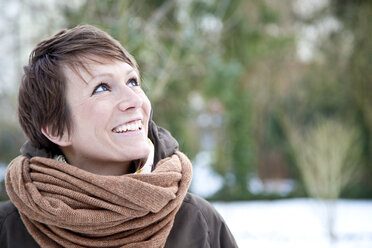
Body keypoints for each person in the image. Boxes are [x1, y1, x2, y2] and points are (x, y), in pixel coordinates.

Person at [0, 25, 237, 248]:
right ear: (56, 129)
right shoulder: (7, 231)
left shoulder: (199, 223)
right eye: (102, 88)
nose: (135, 101)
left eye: (133, 82)